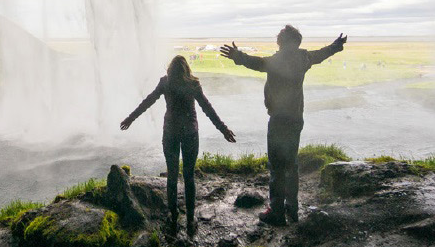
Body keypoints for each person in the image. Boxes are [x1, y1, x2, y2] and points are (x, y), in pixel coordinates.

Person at [220, 26, 346, 226]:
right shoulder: (303, 58)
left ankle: (276, 212)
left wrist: (237, 56)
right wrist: (336, 46)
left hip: (278, 119)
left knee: (277, 167)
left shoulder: (275, 61)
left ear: (280, 42)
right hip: (296, 117)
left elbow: (256, 63)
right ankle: (292, 209)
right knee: (292, 164)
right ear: (297, 42)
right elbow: (321, 54)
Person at [121, 55, 236, 236]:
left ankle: (173, 216)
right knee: (189, 177)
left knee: (172, 176)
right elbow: (208, 108)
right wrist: (223, 129)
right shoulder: (193, 85)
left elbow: (148, 101)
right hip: (190, 134)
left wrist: (130, 118)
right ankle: (190, 220)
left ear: (170, 69)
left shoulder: (165, 83)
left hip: (171, 134)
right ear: (186, 69)